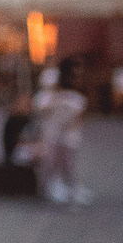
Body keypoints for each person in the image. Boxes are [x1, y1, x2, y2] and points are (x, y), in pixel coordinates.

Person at [31, 63, 92, 205]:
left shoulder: (68, 96)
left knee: (67, 162)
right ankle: (49, 187)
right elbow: (42, 113)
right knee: (49, 162)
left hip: (65, 136)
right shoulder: (43, 97)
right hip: (48, 135)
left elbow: (77, 117)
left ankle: (71, 187)